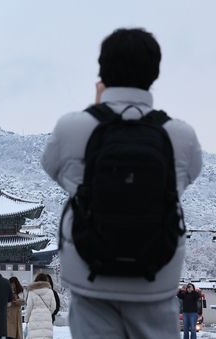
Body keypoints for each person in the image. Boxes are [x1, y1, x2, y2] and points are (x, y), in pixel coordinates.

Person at [41, 28, 202, 339]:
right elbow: (187, 177)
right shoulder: (180, 135)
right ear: (155, 72)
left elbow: (55, 170)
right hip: (156, 273)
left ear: (102, 69)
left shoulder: (73, 128)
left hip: (91, 271)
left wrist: (99, 108)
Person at [25, 273, 57, 339]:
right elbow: (54, 306)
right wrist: (47, 312)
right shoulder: (50, 291)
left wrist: (26, 319)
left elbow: (29, 307)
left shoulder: (31, 292)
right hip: (46, 319)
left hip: (34, 318)